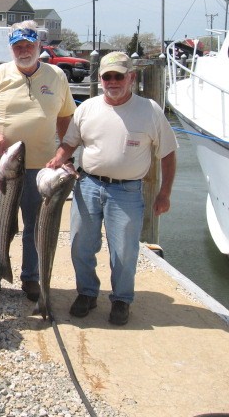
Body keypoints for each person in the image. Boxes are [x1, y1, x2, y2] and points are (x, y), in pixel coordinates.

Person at [46, 51, 177, 325]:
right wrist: (58, 159)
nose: (113, 81)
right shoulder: (87, 108)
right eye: (108, 76)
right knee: (81, 244)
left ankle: (121, 300)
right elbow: (70, 142)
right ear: (100, 79)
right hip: (88, 185)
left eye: (119, 76)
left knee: (125, 251)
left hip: (127, 192)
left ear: (131, 77)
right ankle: (87, 293)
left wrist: (164, 193)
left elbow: (168, 153)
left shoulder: (150, 110)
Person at [0, 20, 76, 302]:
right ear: (11, 48)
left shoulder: (56, 76)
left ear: (39, 46)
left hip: (42, 168)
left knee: (35, 224)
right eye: (18, 46)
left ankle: (30, 278)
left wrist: (64, 154)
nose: (23, 50)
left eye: (28, 45)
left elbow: (66, 117)